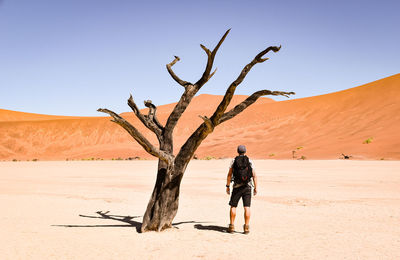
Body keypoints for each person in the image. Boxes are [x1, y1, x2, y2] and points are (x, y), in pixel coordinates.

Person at [226, 145, 257, 234]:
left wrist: (227, 186)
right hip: (247, 186)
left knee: (233, 206)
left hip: (236, 187)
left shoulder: (234, 160)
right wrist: (256, 187)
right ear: (245, 151)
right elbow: (254, 175)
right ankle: (246, 227)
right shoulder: (249, 161)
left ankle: (231, 226)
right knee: (247, 207)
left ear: (237, 151)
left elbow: (229, 174)